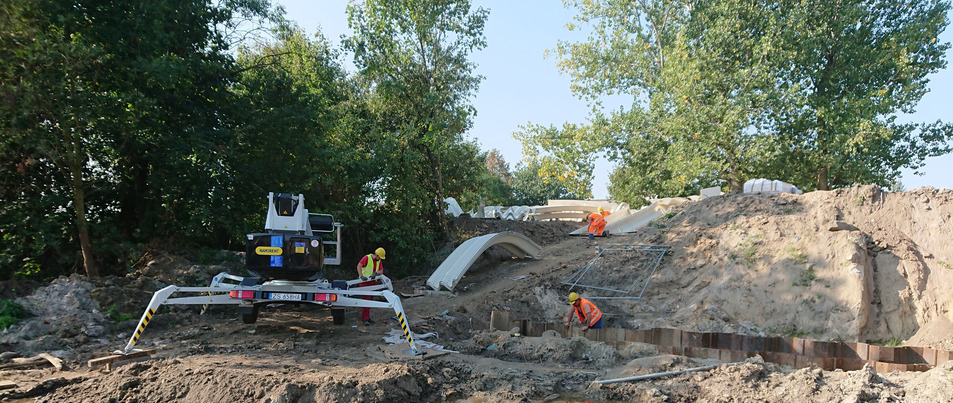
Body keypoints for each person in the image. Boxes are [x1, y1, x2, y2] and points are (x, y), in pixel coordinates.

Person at [355, 247, 385, 326]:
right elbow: (359, 266)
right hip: (365, 283)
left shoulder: (379, 261)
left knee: (370, 300)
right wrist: (361, 276)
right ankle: (365, 319)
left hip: (372, 283)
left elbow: (381, 271)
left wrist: (376, 273)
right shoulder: (367, 258)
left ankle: (367, 317)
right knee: (366, 300)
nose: (380, 259)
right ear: (376, 255)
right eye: (379, 257)